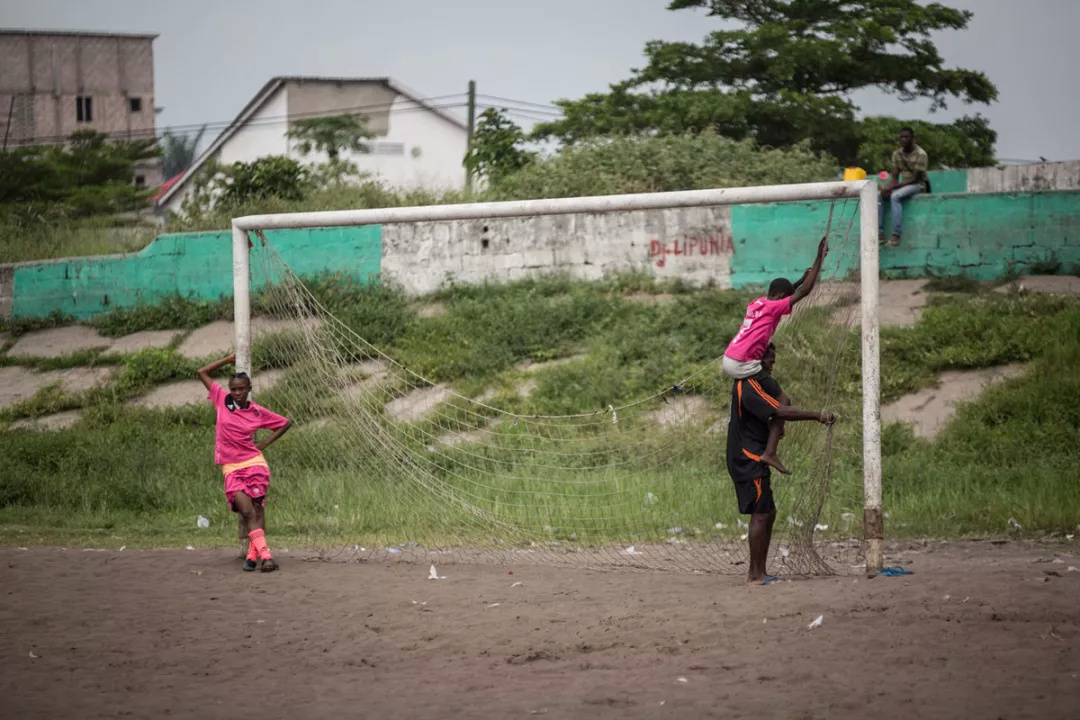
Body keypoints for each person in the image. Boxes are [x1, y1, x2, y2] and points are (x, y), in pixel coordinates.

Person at [726, 343, 836, 585]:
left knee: (769, 512)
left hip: (753, 454)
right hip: (747, 458)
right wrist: (817, 415)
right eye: (770, 361)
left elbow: (781, 400)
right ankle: (755, 574)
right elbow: (779, 411)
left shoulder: (759, 381)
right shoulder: (748, 386)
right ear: (757, 361)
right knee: (761, 514)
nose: (772, 367)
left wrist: (774, 426)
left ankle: (760, 571)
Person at [722, 235, 828, 474]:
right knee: (781, 405)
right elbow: (805, 292)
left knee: (781, 399)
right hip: (743, 364)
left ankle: (772, 436)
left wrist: (799, 280)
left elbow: (788, 293)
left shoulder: (757, 303)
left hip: (731, 356)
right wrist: (819, 259)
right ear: (781, 298)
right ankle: (771, 444)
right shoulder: (773, 308)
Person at [197, 353, 291, 573]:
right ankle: (262, 555)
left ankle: (257, 556)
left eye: (241, 389)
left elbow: (285, 423)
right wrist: (228, 359)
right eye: (234, 389)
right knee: (246, 511)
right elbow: (202, 372)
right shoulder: (221, 399)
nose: (237, 393)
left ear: (249, 389)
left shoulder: (257, 411)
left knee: (257, 509)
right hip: (231, 467)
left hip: (255, 464)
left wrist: (265, 442)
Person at [879, 127, 929, 247]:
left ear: (913, 139)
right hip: (902, 185)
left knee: (895, 196)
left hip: (918, 185)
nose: (904, 139)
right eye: (901, 137)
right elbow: (895, 177)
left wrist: (895, 187)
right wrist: (887, 188)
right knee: (878, 196)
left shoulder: (921, 154)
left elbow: (916, 179)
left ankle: (896, 235)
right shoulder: (897, 154)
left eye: (906, 137)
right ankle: (880, 234)